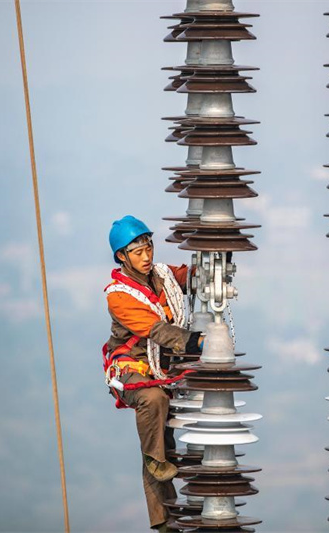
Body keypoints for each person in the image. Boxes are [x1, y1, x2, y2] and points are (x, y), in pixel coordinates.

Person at [103, 215, 203, 531]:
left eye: (148, 247)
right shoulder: (118, 294)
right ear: (122, 256)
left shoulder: (162, 276)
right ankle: (161, 517)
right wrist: (195, 341)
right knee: (153, 402)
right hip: (133, 373)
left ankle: (172, 513)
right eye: (137, 252)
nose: (146, 257)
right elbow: (156, 329)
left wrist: (214, 264)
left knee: (167, 435)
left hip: (163, 369)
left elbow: (188, 277)